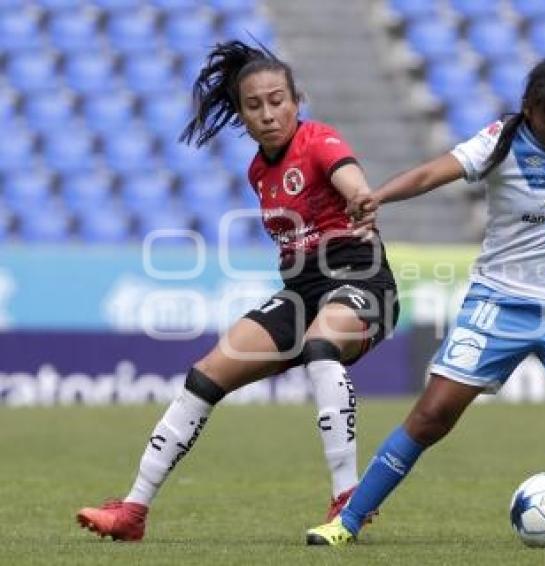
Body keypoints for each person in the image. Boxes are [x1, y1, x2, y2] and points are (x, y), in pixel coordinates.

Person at [306, 58, 545, 546]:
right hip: (499, 305)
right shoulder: (499, 143)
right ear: (529, 109)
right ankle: (346, 522)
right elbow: (433, 172)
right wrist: (379, 196)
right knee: (432, 417)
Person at [76, 41, 398, 541]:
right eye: (254, 105)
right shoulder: (257, 172)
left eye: (277, 101)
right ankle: (133, 511)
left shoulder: (318, 140)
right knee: (204, 376)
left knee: (320, 345)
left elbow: (349, 177)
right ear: (241, 114)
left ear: (296, 101)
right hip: (302, 293)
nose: (268, 114)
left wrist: (360, 196)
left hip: (361, 280)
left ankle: (346, 498)